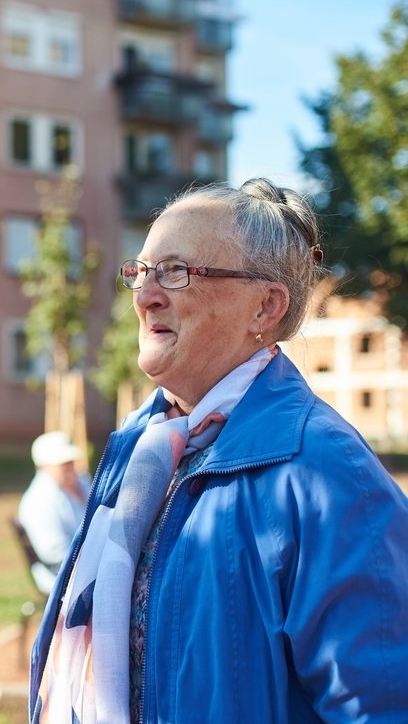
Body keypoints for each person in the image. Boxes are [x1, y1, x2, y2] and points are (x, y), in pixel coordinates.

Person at [30, 178, 408, 723]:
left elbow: (380, 705)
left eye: (176, 273)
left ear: (265, 307)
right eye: (140, 271)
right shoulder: (141, 448)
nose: (145, 295)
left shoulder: (326, 473)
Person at [16, 431, 90, 594]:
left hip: (86, 564)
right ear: (43, 466)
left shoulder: (81, 482)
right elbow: (55, 554)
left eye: (71, 461)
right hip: (62, 574)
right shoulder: (40, 499)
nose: (70, 467)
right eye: (62, 463)